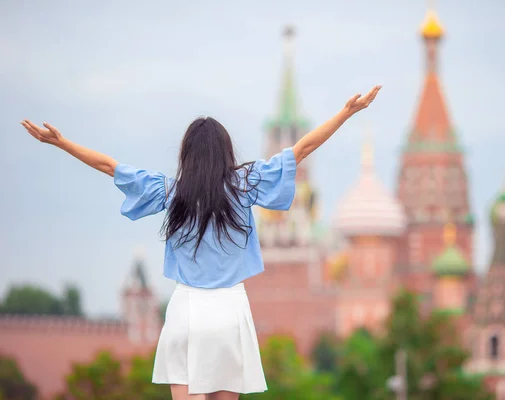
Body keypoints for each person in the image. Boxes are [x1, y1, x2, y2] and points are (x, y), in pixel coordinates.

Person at [19, 84, 382, 400]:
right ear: (226, 152)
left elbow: (109, 166)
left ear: (186, 155)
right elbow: (301, 150)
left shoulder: (171, 192)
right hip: (230, 311)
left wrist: (62, 143)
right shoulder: (245, 186)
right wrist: (346, 114)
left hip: (186, 311)